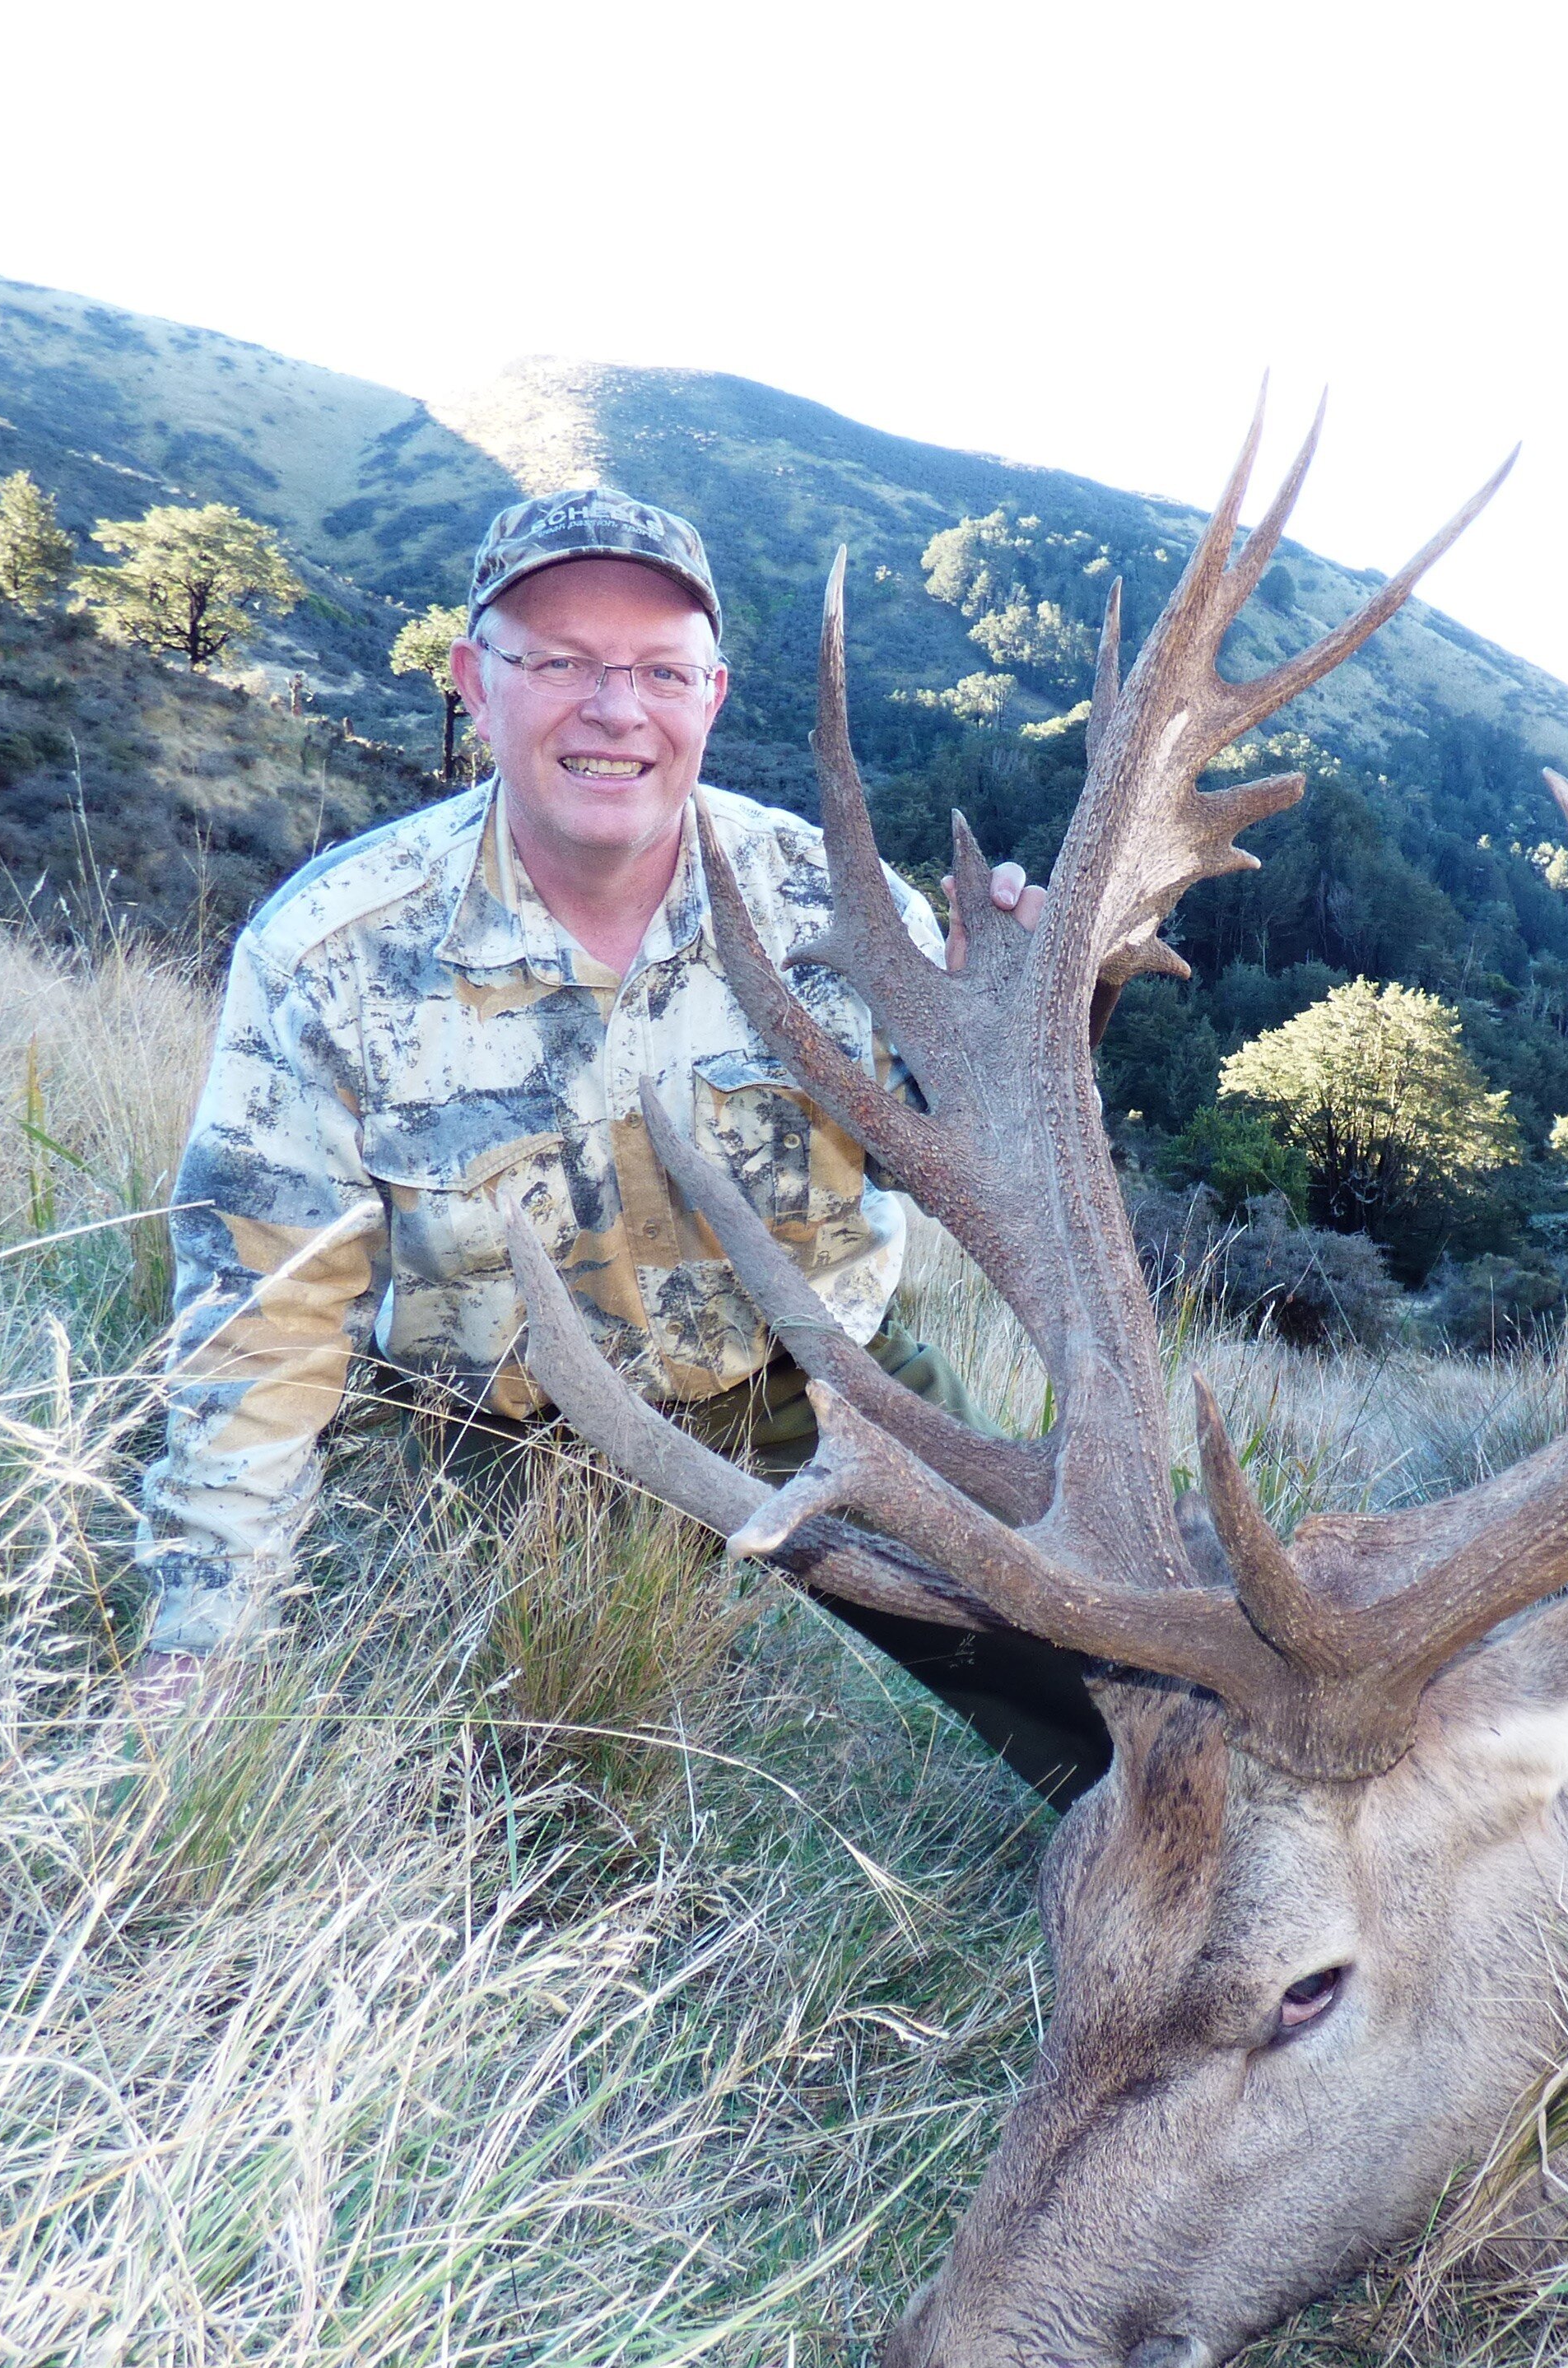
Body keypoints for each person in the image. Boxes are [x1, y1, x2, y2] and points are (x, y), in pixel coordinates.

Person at [128, 489, 1111, 1803]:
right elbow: (265, 1323)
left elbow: (1003, 1161)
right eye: (561, 662)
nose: (613, 709)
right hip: (483, 1437)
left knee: (1110, 1700)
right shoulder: (332, 955)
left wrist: (1042, 1002)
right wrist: (201, 1653)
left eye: (658, 670)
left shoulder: (839, 908)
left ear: (709, 696)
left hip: (817, 1400)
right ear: (477, 684)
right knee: (430, 1794)